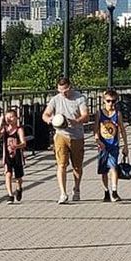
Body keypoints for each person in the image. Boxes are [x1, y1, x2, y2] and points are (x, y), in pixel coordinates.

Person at [42, 74, 90, 204]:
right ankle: (63, 193)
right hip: (61, 135)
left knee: (77, 167)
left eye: (66, 90)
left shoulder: (79, 98)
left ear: (70, 87)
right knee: (61, 164)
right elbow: (45, 114)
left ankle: (77, 188)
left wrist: (76, 121)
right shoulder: (55, 99)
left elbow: (86, 115)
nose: (64, 93)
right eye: (61, 90)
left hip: (76, 136)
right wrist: (50, 120)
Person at [95, 88, 129, 202]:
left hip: (113, 145)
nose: (111, 104)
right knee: (104, 170)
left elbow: (122, 130)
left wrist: (125, 145)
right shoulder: (100, 113)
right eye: (108, 101)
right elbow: (95, 130)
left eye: (114, 101)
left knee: (113, 167)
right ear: (104, 101)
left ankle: (114, 191)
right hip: (103, 146)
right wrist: (98, 141)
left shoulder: (117, 114)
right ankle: (106, 191)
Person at [0, 108, 27, 203]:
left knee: (18, 177)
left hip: (17, 156)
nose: (10, 119)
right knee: (8, 174)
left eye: (12, 117)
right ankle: (10, 195)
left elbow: (24, 143)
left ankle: (19, 188)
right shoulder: (5, 129)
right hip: (7, 156)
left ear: (16, 118)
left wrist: (16, 146)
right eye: (8, 117)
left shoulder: (19, 129)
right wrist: (1, 122)